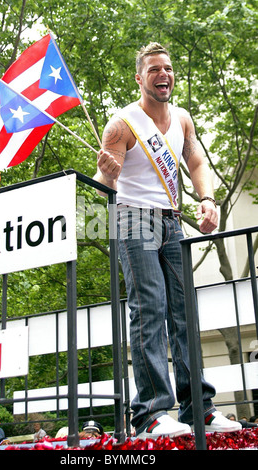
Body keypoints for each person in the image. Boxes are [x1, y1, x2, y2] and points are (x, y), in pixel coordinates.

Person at [94, 42, 242, 439]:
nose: (163, 74)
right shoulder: (121, 124)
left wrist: (207, 199)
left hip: (172, 221)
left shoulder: (183, 120)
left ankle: (200, 409)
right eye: (154, 69)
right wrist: (105, 172)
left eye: (168, 68)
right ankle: (151, 414)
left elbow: (195, 160)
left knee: (184, 313)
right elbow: (102, 186)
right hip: (132, 220)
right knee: (150, 307)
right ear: (139, 78)